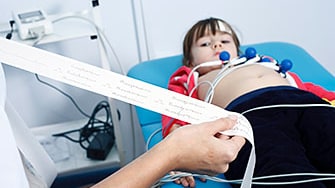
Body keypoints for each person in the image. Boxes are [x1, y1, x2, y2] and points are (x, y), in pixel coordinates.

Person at [162, 17, 335, 187]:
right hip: (248, 116)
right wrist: (176, 156)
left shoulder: (265, 63)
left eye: (224, 39)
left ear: (237, 50)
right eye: (205, 43)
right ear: (190, 61)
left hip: (304, 103)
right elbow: (177, 110)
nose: (217, 45)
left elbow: (309, 88)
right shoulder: (190, 76)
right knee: (277, 167)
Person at [92, 117, 245, 188]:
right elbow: (176, 118)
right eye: (204, 48)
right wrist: (175, 152)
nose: (217, 49)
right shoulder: (188, 77)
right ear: (190, 62)